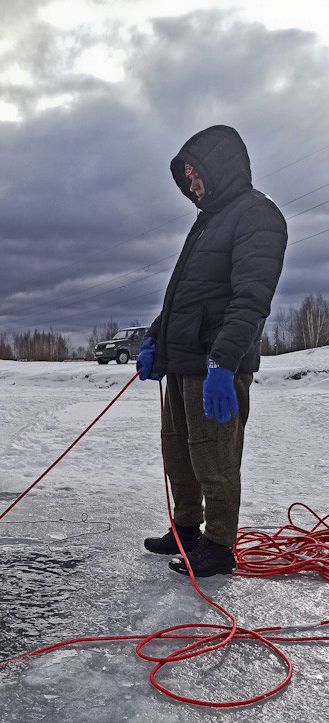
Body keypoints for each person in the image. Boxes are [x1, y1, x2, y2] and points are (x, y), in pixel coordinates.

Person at [136, 125, 288, 577]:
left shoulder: (257, 215)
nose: (191, 184)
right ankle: (186, 531)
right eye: (186, 176)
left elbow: (252, 298)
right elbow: (183, 295)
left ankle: (219, 548)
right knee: (178, 454)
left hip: (214, 363)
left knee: (214, 458)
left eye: (195, 173)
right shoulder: (207, 223)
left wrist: (224, 362)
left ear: (218, 167)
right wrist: (154, 339)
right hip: (182, 361)